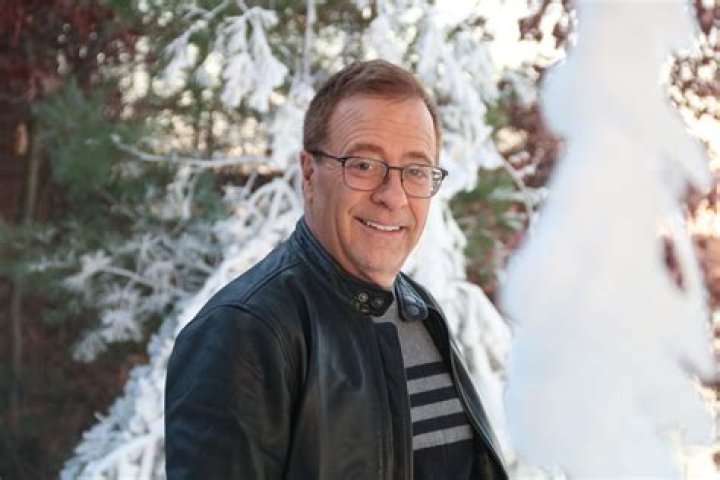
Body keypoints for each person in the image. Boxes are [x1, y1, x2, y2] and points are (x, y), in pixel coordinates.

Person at [165, 59, 508, 479]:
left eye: (416, 171)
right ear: (310, 174)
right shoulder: (245, 331)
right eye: (364, 165)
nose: (393, 196)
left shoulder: (419, 311)